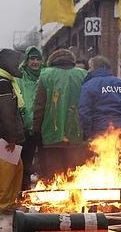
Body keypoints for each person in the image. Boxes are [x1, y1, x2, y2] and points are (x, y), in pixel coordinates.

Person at [33, 49, 88, 179]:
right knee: (76, 178)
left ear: (52, 62)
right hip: (77, 135)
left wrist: (36, 130)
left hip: (51, 135)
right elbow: (88, 105)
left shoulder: (45, 75)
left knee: (54, 178)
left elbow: (39, 106)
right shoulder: (83, 75)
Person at [78, 55, 121, 167]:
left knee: (102, 169)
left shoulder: (88, 86)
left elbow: (84, 112)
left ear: (94, 68)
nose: (88, 71)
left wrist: (89, 133)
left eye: (89, 68)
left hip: (100, 132)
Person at [0, 48, 25, 213]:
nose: (20, 66)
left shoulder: (2, 80)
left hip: (7, 136)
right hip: (7, 137)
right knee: (7, 173)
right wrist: (11, 137)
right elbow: (6, 113)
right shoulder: (3, 83)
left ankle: (8, 203)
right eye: (17, 63)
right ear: (8, 63)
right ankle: (2, 205)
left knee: (16, 170)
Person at [16, 46, 44, 190]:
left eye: (38, 59)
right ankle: (23, 194)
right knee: (24, 165)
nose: (35, 62)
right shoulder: (19, 78)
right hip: (24, 128)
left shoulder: (45, 76)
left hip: (42, 127)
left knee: (45, 164)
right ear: (26, 61)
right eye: (32, 58)